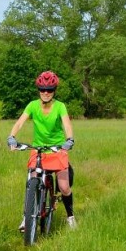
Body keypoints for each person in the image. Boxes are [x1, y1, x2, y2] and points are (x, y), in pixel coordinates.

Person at [7, 71, 76, 232]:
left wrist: (69, 139)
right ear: (38, 90)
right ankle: (26, 217)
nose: (46, 93)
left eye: (50, 90)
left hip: (57, 149)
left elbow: (67, 125)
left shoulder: (60, 106)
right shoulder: (32, 105)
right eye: (42, 90)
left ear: (54, 91)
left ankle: (70, 217)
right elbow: (19, 123)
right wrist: (12, 137)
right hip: (38, 150)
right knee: (31, 180)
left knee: (64, 187)